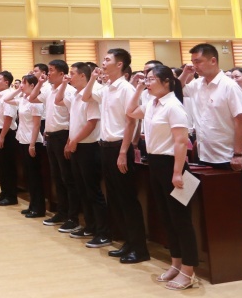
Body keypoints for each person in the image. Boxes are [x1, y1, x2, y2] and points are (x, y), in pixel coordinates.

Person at [128, 66, 199, 291]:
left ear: (167, 81)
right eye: (146, 79)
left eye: (151, 80)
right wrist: (138, 87)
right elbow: (130, 111)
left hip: (174, 167)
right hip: (156, 164)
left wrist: (177, 173)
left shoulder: (174, 106)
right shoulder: (152, 103)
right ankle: (175, 264)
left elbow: (181, 142)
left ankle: (189, 271)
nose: (147, 83)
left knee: (182, 220)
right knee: (167, 218)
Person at [84, 48, 148, 262]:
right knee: (116, 199)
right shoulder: (107, 88)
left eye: (107, 59)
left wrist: (123, 152)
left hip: (120, 147)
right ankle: (127, 243)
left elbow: (131, 121)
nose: (103, 62)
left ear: (119, 64)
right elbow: (86, 96)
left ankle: (139, 249)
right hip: (105, 147)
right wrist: (92, 78)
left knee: (127, 199)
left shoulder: (126, 89)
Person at [59, 61, 109, 241]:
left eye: (72, 74)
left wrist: (75, 141)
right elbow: (73, 120)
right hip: (77, 146)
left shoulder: (91, 95)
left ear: (82, 76)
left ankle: (103, 232)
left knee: (93, 191)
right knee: (82, 189)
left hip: (89, 147)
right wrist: (70, 141)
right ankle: (90, 226)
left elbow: (91, 123)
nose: (69, 76)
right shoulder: (76, 95)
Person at [180, 44, 242, 170]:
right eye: (193, 62)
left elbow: (241, 121)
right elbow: (176, 91)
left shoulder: (229, 86)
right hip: (203, 154)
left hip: (226, 156)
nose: (195, 66)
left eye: (198, 61)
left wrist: (238, 154)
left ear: (213, 61)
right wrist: (185, 74)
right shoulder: (197, 84)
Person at [40, 59, 79, 229]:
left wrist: (69, 141)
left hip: (64, 136)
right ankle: (62, 212)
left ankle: (73, 217)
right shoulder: (50, 90)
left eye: (51, 70)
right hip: (51, 137)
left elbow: (73, 118)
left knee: (67, 178)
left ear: (62, 74)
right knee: (57, 177)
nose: (48, 73)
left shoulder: (69, 91)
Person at [16, 75, 46, 218]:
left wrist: (32, 144)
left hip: (32, 141)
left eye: (24, 83)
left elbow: (36, 125)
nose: (21, 85)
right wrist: (18, 91)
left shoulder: (36, 102)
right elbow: (7, 99)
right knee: (28, 176)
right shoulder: (23, 99)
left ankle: (39, 208)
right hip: (22, 139)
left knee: (35, 177)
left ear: (33, 86)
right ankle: (32, 205)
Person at [0, 70, 19, 206]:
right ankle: (4, 192)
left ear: (6, 82)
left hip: (6, 134)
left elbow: (8, 117)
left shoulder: (8, 95)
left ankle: (11, 196)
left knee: (8, 166)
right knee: (0, 165)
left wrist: (2, 136)